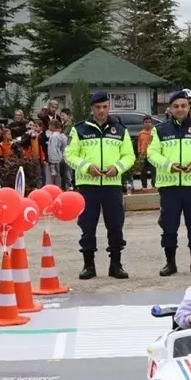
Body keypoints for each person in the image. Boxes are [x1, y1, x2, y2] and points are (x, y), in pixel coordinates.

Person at [65, 90, 134, 280]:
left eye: (104, 107)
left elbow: (129, 155)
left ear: (108, 107)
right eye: (98, 107)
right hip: (88, 185)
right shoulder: (79, 129)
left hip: (112, 185)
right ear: (92, 108)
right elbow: (69, 155)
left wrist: (117, 168)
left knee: (115, 225)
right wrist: (86, 167)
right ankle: (89, 265)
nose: (101, 111)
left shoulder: (120, 129)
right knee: (87, 226)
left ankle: (116, 265)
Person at [149, 89, 191, 276]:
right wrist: (168, 165)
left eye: (183, 106)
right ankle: (170, 263)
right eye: (176, 106)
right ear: (170, 109)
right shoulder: (160, 130)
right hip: (169, 187)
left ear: (188, 107)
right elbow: (152, 153)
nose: (180, 109)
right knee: (169, 226)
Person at [45, 118, 68, 189]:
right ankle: (57, 186)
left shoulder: (55, 136)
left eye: (49, 125)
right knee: (55, 174)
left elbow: (54, 148)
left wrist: (52, 159)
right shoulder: (56, 135)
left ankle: (57, 187)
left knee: (55, 174)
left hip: (54, 159)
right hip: (55, 158)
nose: (48, 127)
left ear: (53, 126)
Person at [135, 117, 155, 190]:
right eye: (146, 122)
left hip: (152, 154)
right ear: (143, 124)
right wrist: (139, 152)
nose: (147, 124)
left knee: (153, 170)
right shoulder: (141, 133)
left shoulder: (154, 133)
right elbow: (139, 144)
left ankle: (154, 185)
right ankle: (144, 186)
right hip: (143, 155)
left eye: (149, 122)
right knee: (143, 171)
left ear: (151, 123)